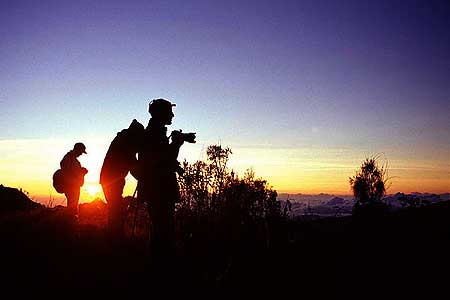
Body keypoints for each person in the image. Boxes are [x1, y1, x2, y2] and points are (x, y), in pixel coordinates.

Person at [138, 98, 192, 263]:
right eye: (170, 111)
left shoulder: (155, 132)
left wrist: (178, 142)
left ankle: (157, 265)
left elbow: (162, 159)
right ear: (161, 114)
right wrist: (177, 143)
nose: (173, 115)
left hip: (157, 189)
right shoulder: (155, 134)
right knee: (163, 230)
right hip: (160, 189)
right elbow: (163, 160)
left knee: (160, 229)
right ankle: (161, 267)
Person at [100, 119, 145, 242]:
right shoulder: (126, 142)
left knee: (115, 208)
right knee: (115, 208)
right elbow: (132, 164)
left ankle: (114, 236)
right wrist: (143, 177)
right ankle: (115, 238)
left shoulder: (123, 139)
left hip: (109, 179)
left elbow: (131, 163)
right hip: (111, 180)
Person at [60, 142, 88, 219]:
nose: (81, 154)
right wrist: (79, 172)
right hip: (71, 186)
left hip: (74, 186)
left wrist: (82, 171)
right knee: (72, 205)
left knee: (73, 205)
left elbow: (74, 172)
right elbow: (66, 171)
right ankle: (70, 222)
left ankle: (72, 221)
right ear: (77, 150)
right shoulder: (68, 158)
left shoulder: (74, 160)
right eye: (81, 152)